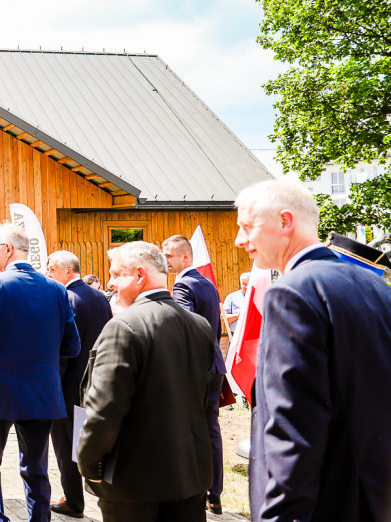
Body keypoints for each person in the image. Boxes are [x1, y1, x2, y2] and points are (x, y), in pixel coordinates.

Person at [234, 180, 391, 522]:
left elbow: (294, 427)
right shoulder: (374, 284)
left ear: (285, 222)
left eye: (247, 227)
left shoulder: (293, 292)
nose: (240, 241)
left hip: (320, 503)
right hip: (372, 497)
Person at [78, 241, 215, 522]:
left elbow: (102, 410)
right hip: (189, 475)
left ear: (139, 275)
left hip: (133, 482)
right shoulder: (199, 325)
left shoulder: (123, 326)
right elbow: (202, 401)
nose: (110, 283)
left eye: (116, 274)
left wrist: (89, 465)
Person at [0, 223, 80, 522]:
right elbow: (73, 345)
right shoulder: (57, 290)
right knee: (36, 467)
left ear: (8, 249)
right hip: (42, 392)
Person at [161, 234, 227, 515]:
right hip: (214, 366)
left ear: (185, 257)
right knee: (211, 430)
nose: (166, 262)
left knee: (189, 429)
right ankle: (215, 493)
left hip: (197, 370)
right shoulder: (207, 283)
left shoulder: (183, 284)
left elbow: (184, 325)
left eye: (170, 256)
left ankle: (193, 491)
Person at [45, 250, 113, 519]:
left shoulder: (66, 299)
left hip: (69, 384)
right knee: (91, 440)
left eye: (51, 268)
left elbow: (64, 349)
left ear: (68, 272)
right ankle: (102, 494)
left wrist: (52, 387)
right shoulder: (100, 297)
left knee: (65, 446)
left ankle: (73, 502)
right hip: (97, 381)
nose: (48, 273)